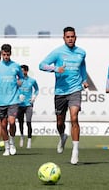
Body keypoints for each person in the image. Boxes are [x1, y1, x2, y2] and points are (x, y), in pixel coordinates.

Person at [39, 26, 88, 165]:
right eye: (68, 37)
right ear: (64, 38)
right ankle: (62, 137)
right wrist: (55, 68)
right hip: (60, 92)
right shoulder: (58, 52)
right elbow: (41, 65)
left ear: (76, 37)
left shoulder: (81, 52)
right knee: (60, 122)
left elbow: (83, 67)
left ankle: (75, 151)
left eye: (72, 36)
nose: (70, 39)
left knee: (74, 117)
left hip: (75, 90)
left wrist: (84, 80)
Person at [0, 44, 24, 156]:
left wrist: (20, 82)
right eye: (4, 54)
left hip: (13, 100)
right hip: (0, 101)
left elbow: (21, 78)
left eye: (7, 54)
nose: (6, 56)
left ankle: (12, 142)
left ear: (10, 54)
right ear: (1, 53)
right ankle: (7, 147)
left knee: (12, 122)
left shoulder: (16, 66)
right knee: (3, 125)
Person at [17, 64, 39, 149]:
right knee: (20, 122)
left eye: (23, 71)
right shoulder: (17, 81)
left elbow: (37, 89)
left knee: (28, 122)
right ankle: (22, 136)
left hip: (28, 104)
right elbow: (13, 90)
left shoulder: (32, 80)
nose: (21, 72)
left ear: (26, 71)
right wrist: (17, 97)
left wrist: (34, 97)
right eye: (20, 71)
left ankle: (29, 140)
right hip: (19, 105)